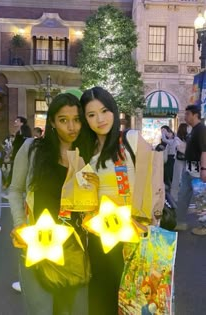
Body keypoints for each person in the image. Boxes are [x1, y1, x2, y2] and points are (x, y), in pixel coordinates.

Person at [9, 93, 97, 315]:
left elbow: (87, 203)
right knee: (43, 309)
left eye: (76, 119)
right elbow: (15, 190)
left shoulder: (85, 154)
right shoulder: (33, 150)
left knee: (75, 309)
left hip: (74, 246)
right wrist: (20, 224)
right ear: (52, 122)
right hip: (38, 244)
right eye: (63, 120)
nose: (72, 127)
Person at [80, 86, 140, 315]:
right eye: (91, 114)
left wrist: (148, 221)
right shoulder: (86, 150)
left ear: (114, 111)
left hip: (133, 235)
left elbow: (153, 185)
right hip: (99, 236)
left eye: (104, 111)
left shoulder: (130, 141)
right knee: (102, 298)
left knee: (135, 299)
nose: (100, 119)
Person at [175, 105, 206, 233]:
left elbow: (204, 151)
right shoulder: (193, 130)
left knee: (200, 198)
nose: (185, 116)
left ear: (195, 114)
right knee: (182, 195)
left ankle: (203, 226)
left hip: (197, 170)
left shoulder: (201, 130)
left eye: (187, 114)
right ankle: (180, 222)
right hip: (188, 169)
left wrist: (204, 169)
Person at [3, 116, 32, 193]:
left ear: (21, 123)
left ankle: (7, 184)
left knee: (16, 170)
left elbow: (25, 143)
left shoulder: (24, 131)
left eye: (17, 121)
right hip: (17, 155)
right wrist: (8, 154)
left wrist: (8, 154)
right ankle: (8, 184)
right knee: (15, 169)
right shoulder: (18, 132)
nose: (15, 122)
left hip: (21, 155)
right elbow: (14, 145)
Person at [170, 123, 188, 203]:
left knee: (183, 178)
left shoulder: (187, 138)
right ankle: (174, 197)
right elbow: (178, 148)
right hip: (179, 160)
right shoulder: (177, 139)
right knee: (177, 178)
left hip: (186, 160)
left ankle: (181, 197)